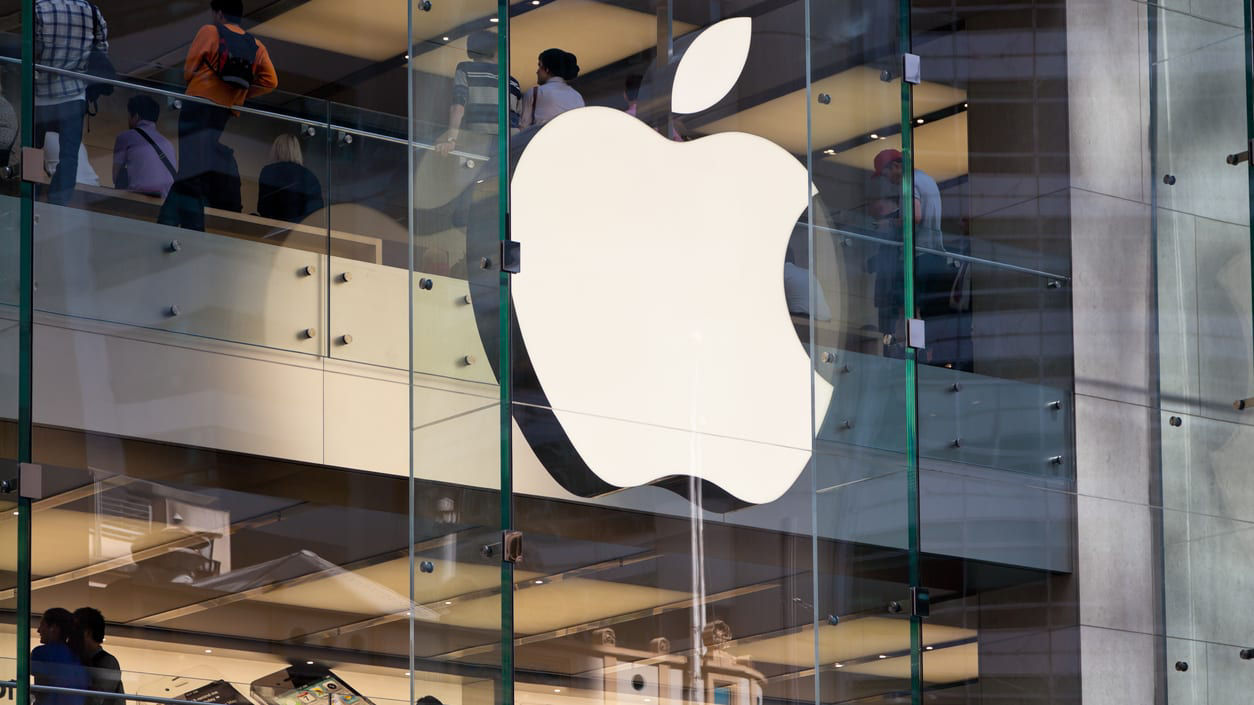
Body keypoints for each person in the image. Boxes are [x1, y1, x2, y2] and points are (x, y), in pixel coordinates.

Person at [159, 0, 277, 231]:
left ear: (219, 13)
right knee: (192, 170)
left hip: (197, 104)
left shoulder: (210, 32)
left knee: (191, 171)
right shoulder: (256, 45)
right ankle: (167, 223)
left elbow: (188, 71)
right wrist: (240, 94)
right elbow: (271, 81)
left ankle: (189, 228)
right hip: (222, 112)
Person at [34, 0, 108, 205]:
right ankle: (59, 203)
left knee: (33, 150)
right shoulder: (91, 11)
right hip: (74, 95)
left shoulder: (38, 8)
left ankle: (31, 196)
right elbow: (101, 51)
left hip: (40, 95)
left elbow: (31, 49)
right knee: (69, 156)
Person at [435, 30, 521, 157]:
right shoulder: (513, 82)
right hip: (511, 143)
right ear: (495, 51)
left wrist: (451, 139)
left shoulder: (465, 68)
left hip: (478, 138)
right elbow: (520, 120)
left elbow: (458, 107)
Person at [112, 95, 177, 197]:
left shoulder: (125, 137)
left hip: (138, 198)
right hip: (165, 199)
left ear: (136, 116)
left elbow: (116, 178)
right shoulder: (168, 144)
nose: (128, 119)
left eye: (129, 116)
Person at [257, 133, 323, 222]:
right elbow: (316, 212)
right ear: (297, 151)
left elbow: (263, 208)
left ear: (276, 150)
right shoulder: (309, 176)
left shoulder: (269, 171)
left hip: (273, 226)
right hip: (299, 228)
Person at [32, 607, 89, 705]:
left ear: (53, 628)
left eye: (42, 625)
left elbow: (41, 692)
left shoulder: (41, 652)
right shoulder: (78, 655)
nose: (38, 630)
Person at [517, 48, 583, 130]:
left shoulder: (535, 92)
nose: (537, 71)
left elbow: (522, 128)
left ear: (547, 69)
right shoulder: (577, 96)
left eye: (540, 66)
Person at [71, 607, 123, 705]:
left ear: (87, 633)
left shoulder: (108, 662)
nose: (70, 635)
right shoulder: (80, 659)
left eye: (74, 630)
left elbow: (94, 700)